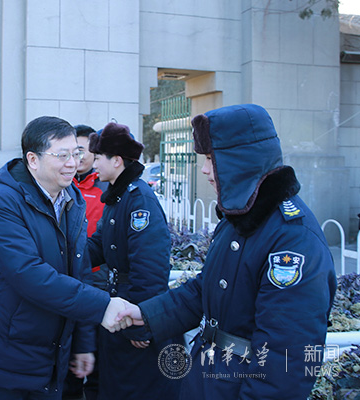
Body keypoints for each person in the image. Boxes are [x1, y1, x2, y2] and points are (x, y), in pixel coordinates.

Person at [115, 104, 337, 400]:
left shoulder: (293, 238)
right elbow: (204, 290)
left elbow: (285, 362)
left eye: (211, 159)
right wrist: (147, 314)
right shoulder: (241, 218)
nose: (205, 169)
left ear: (242, 160)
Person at [0, 116, 134, 400]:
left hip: (52, 354)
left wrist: (83, 343)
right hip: (3, 355)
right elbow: (28, 274)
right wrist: (103, 306)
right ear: (33, 159)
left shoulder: (71, 198)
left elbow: (79, 272)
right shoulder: (2, 200)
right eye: (62, 155)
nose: (72, 163)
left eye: (76, 154)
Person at [86, 122, 178, 400]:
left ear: (116, 161)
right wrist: (63, 256)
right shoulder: (118, 196)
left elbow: (150, 267)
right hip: (121, 304)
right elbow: (99, 245)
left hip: (134, 311)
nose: (93, 164)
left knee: (135, 387)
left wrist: (143, 322)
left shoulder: (139, 200)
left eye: (98, 157)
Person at [63, 124, 108, 400]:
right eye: (71, 151)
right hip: (68, 278)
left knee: (97, 358)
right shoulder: (63, 184)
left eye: (81, 151)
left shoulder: (105, 187)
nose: (77, 157)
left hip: (97, 278)